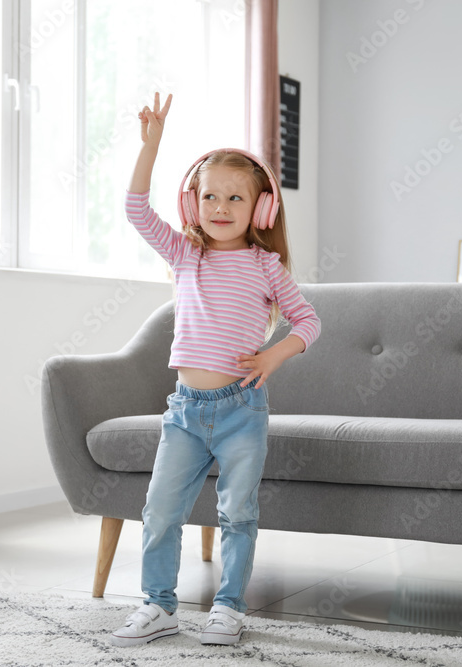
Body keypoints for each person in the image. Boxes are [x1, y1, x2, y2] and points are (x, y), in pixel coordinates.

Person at [110, 92, 321, 648]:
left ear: (262, 209)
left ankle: (228, 606)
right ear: (193, 203)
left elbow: (307, 321)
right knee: (160, 510)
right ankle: (158, 606)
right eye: (210, 196)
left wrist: (276, 352)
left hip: (240, 411)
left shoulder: (265, 265)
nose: (221, 206)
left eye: (235, 197)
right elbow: (135, 210)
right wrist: (151, 146)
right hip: (185, 410)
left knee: (237, 513)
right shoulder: (186, 255)